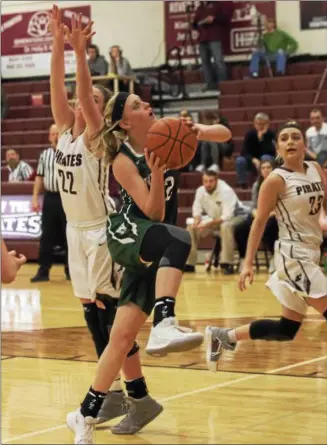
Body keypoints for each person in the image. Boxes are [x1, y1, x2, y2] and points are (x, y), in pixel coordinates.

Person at [65, 13, 232, 444]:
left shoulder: (169, 138)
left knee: (120, 338)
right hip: (128, 234)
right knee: (179, 235)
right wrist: (80, 53)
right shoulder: (120, 154)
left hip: (153, 247)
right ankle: (164, 321)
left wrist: (198, 129)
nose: (148, 107)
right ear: (123, 121)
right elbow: (153, 211)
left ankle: (84, 415)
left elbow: (226, 131)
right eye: (138, 106)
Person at [50, 6, 162, 435]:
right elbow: (58, 88)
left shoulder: (99, 141)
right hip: (74, 234)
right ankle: (128, 394)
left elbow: (78, 91)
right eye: (86, 98)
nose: (84, 102)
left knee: (110, 317)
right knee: (93, 317)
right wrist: (59, 44)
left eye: (94, 99)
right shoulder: (63, 131)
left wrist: (81, 54)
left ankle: (131, 395)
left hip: (101, 233)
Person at [205, 121, 327, 372]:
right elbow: (258, 222)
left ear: (305, 144)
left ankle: (224, 336)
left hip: (312, 252)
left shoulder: (315, 169)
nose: (291, 141)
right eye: (284, 138)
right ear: (278, 148)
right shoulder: (275, 180)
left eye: (296, 137)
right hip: (293, 255)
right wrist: (247, 263)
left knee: (286, 329)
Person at [185, 170, 249, 275]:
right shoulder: (200, 191)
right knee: (191, 228)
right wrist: (197, 221)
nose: (208, 184)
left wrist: (207, 224)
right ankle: (189, 264)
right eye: (205, 181)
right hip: (215, 219)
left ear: (216, 181)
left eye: (211, 181)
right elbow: (196, 210)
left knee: (225, 226)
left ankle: (227, 264)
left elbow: (226, 216)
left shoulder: (226, 191)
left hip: (237, 217)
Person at [30, 123, 70, 282]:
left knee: (70, 236)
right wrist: (34, 198)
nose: (55, 136)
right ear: (49, 136)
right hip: (50, 198)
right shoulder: (44, 155)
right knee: (46, 236)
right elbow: (39, 177)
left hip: (67, 198)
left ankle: (71, 271)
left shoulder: (69, 152)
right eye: (52, 134)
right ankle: (43, 271)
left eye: (57, 133)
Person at [234, 159, 278, 272]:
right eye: (263, 168)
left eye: (268, 167)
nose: (266, 170)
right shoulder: (256, 185)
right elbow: (254, 205)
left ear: (273, 169)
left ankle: (274, 257)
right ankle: (244, 258)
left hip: (275, 215)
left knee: (268, 227)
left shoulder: (279, 183)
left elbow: (281, 206)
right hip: (260, 214)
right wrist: (256, 213)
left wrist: (268, 214)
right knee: (239, 228)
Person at [193, 1, 233, 91]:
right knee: (205, 63)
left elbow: (226, 18)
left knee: (218, 61)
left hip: (214, 37)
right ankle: (209, 84)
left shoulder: (218, 5)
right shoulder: (200, 8)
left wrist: (214, 18)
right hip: (202, 38)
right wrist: (195, 26)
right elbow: (195, 23)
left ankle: (222, 84)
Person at [236, 113, 276, 188]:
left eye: (263, 124)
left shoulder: (270, 134)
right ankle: (243, 183)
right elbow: (244, 152)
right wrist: (253, 159)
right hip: (252, 160)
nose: (260, 126)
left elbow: (271, 151)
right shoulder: (249, 134)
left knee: (265, 158)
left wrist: (261, 139)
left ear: (267, 124)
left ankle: (266, 181)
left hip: (267, 159)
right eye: (258, 124)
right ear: (254, 124)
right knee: (240, 160)